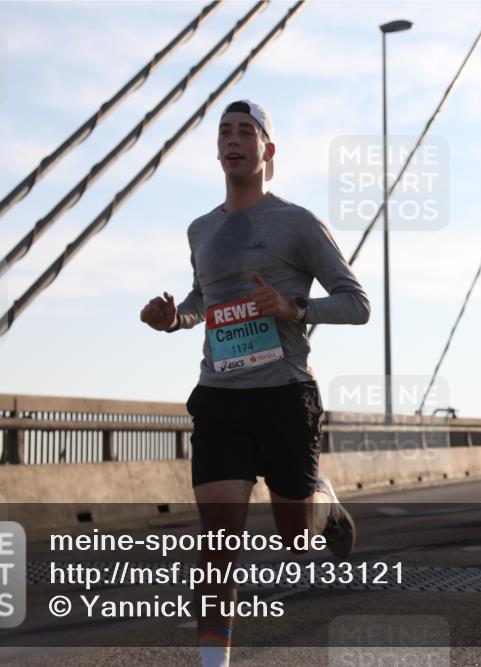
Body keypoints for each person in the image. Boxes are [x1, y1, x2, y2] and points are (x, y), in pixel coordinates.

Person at [139, 100, 370, 667]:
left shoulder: (298, 223)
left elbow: (357, 304)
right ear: (218, 150)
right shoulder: (201, 229)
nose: (234, 139)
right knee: (217, 546)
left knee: (295, 539)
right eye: (225, 131)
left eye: (247, 131)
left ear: (268, 151)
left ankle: (324, 503)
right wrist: (176, 318)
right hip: (219, 396)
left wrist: (292, 307)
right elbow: (203, 301)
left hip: (284, 395)